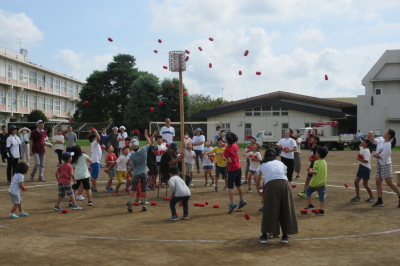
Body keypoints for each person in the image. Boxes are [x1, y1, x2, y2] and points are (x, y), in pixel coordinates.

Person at [255, 147, 298, 244]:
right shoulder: (281, 163)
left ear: (265, 155)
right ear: (275, 156)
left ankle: (264, 236)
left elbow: (257, 182)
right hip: (285, 184)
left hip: (271, 185)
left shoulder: (262, 164)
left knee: (269, 209)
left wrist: (259, 192)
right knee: (285, 208)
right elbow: (283, 176)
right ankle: (285, 236)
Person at [369, 130, 400, 208]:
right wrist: (371, 134)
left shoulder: (388, 145)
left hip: (386, 164)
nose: (384, 133)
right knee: (378, 182)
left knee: (389, 183)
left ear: (389, 135)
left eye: (386, 132)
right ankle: (380, 201)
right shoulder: (381, 140)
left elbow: (382, 156)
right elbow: (372, 140)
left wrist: (375, 155)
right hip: (379, 164)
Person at [126, 129, 152, 212]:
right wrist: (146, 136)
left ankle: (130, 201)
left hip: (136, 173)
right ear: (138, 145)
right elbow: (149, 143)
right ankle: (144, 204)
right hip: (144, 172)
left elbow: (132, 166)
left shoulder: (131, 156)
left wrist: (129, 170)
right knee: (144, 189)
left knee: (133, 188)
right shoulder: (143, 150)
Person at [224, 132, 247, 214]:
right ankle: (241, 200)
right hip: (238, 167)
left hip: (232, 169)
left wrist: (225, 158)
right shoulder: (235, 145)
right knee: (238, 184)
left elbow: (229, 160)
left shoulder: (227, 149)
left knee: (230, 187)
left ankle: (231, 202)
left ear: (226, 140)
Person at [304, 147, 329, 216]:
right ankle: (321, 210)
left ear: (318, 154)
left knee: (308, 191)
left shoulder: (316, 162)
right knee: (322, 196)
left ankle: (310, 205)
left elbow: (315, 172)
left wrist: (310, 171)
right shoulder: (324, 162)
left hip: (315, 182)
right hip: (322, 183)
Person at [88, 128, 102, 197]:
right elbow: (99, 139)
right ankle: (94, 189)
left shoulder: (95, 144)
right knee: (94, 177)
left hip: (95, 162)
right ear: (93, 139)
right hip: (95, 162)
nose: (97, 137)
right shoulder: (94, 143)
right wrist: (96, 131)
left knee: (94, 176)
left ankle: (93, 188)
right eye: (95, 137)